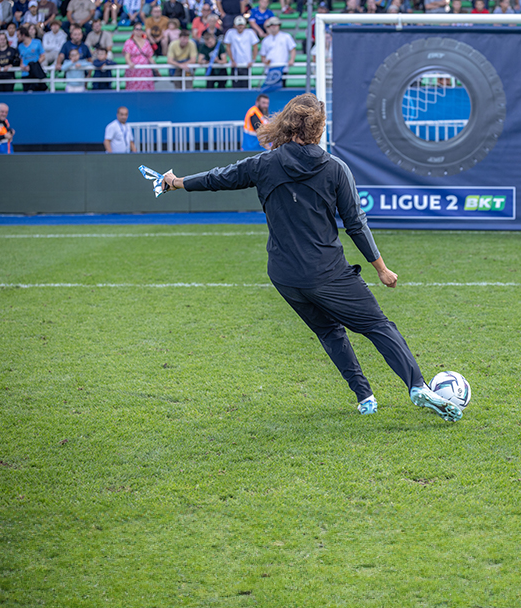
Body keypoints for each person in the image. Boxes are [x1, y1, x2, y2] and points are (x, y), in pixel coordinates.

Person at [160, 94, 462, 422]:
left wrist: (176, 182)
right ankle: (417, 385)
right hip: (326, 273)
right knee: (377, 325)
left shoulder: (263, 164)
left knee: (330, 332)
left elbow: (218, 178)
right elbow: (356, 224)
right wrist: (382, 269)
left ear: (286, 122)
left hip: (285, 276)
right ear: (319, 128)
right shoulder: (334, 168)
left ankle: (365, 397)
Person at [259, 17, 296, 89]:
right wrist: (265, 61)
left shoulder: (286, 37)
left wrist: (292, 59)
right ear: (269, 27)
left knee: (282, 87)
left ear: (279, 26)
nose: (274, 27)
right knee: (270, 89)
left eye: (275, 25)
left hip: (282, 67)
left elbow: (292, 49)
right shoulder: (266, 40)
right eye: (272, 25)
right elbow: (262, 55)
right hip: (270, 69)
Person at [224, 15, 259, 89]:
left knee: (246, 85)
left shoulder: (250, 32)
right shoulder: (230, 33)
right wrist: (232, 60)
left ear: (244, 25)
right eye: (238, 25)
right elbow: (228, 47)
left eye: (242, 25)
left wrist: (253, 60)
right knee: (235, 86)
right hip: (235, 64)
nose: (240, 27)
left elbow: (255, 46)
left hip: (246, 64)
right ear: (235, 25)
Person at [123, 23, 156, 90]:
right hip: (134, 70)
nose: (138, 31)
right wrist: (129, 63)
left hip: (145, 70)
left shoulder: (146, 42)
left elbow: (149, 56)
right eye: (137, 29)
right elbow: (127, 56)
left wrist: (155, 66)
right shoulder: (129, 42)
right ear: (133, 31)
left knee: (146, 88)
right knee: (133, 88)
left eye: (140, 29)